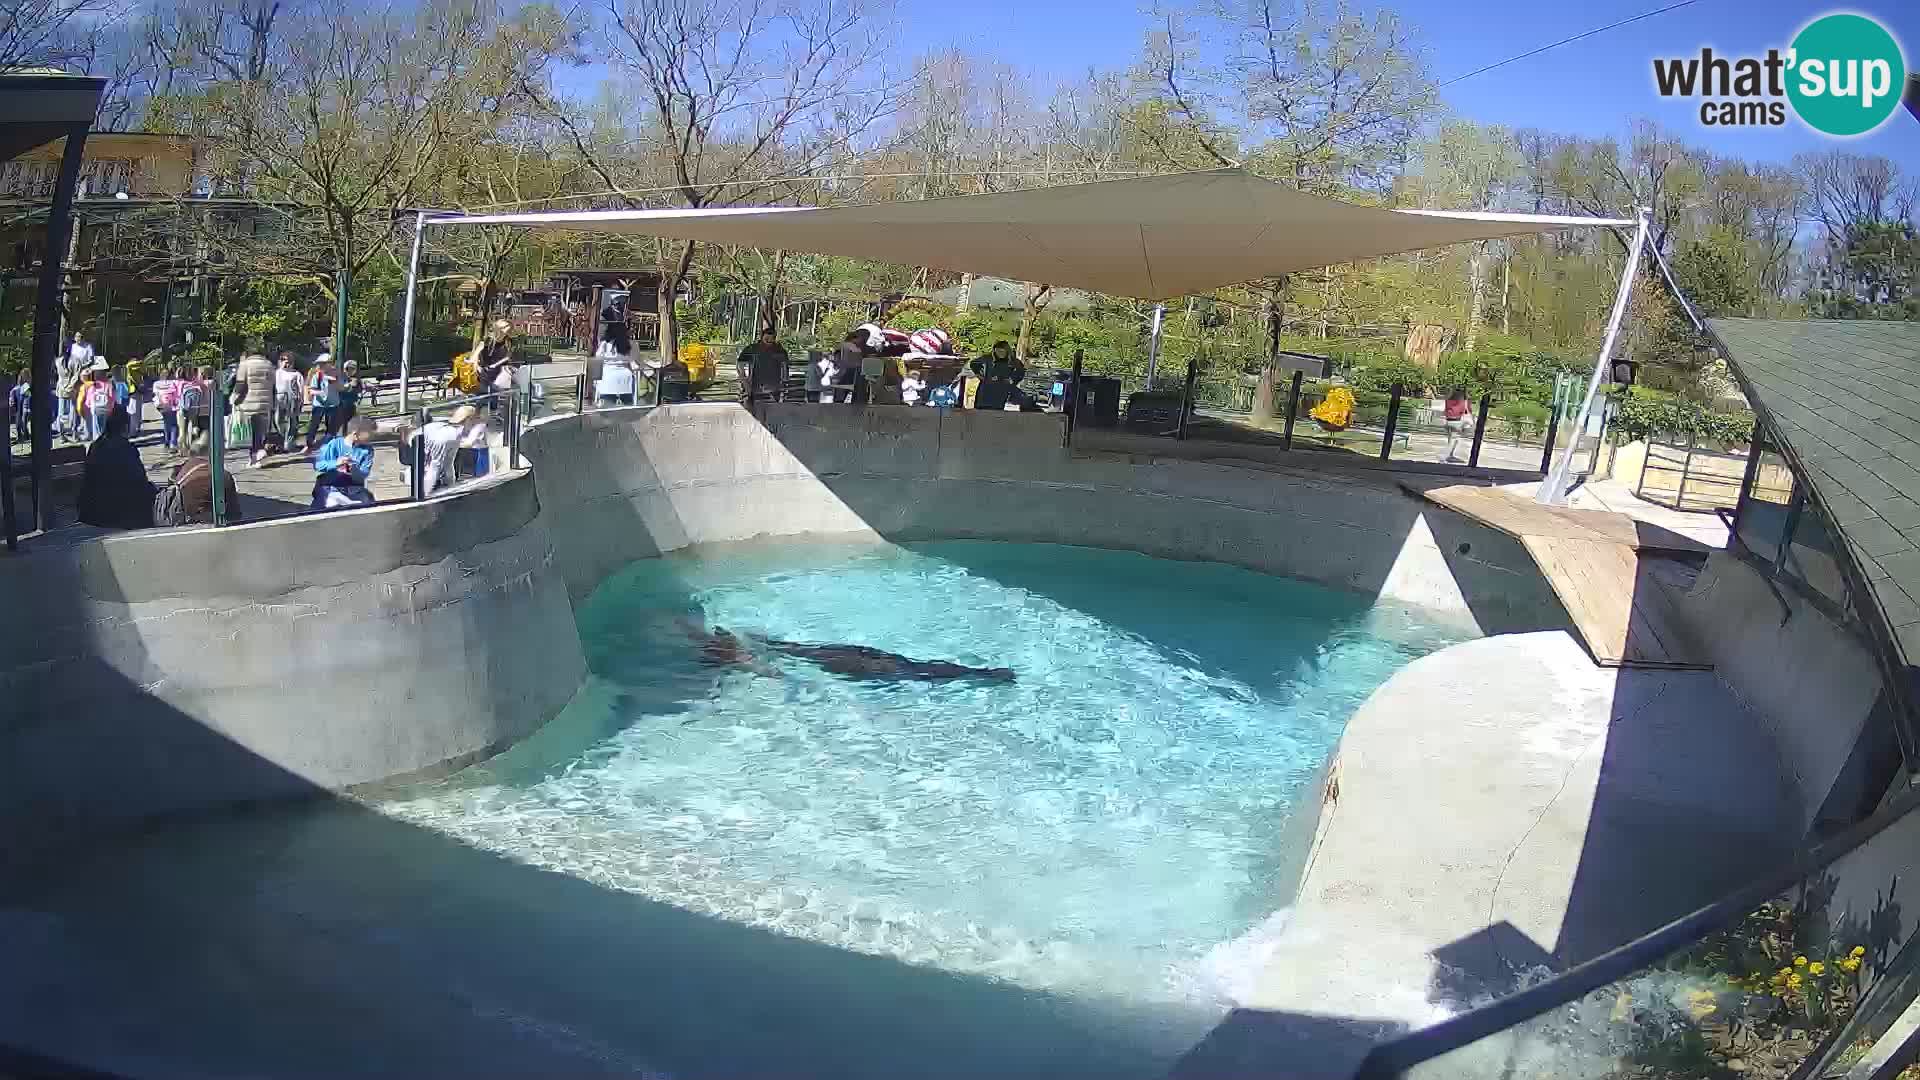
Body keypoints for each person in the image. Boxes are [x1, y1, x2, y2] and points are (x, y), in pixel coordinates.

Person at [76, 406, 154, 529]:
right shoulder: (126, 448)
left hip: (94, 506)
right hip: (121, 507)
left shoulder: (96, 446)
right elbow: (139, 478)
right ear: (124, 427)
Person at [160, 434, 243, 526]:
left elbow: (172, 482)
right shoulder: (223, 475)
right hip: (212, 522)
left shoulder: (181, 468)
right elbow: (234, 514)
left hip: (182, 520)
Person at [310, 415, 377, 510]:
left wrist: (354, 469)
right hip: (331, 487)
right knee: (330, 503)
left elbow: (364, 473)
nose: (373, 436)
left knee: (368, 504)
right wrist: (335, 463)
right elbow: (318, 465)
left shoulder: (367, 450)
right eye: (370, 433)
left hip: (354, 489)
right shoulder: (334, 444)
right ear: (355, 433)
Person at [420, 405, 481, 496]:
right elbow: (437, 466)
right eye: (474, 421)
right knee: (436, 466)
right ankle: (425, 494)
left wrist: (451, 488)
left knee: (439, 466)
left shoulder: (453, 433)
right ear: (468, 419)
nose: (475, 424)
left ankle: (428, 493)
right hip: (422, 455)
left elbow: (448, 463)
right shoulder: (450, 436)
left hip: (431, 450)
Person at [230, 349, 276, 464]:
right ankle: (258, 455)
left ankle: (254, 457)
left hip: (248, 403)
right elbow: (273, 386)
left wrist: (233, 399)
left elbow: (240, 385)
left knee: (250, 434)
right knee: (259, 432)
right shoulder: (269, 365)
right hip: (265, 403)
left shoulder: (245, 365)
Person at [736, 327, 789, 403]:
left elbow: (785, 369)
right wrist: (745, 382)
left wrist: (784, 387)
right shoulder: (752, 349)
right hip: (755, 388)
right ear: (762, 337)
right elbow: (740, 364)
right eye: (767, 338)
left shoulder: (780, 351)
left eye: (772, 338)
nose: (769, 341)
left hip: (775, 389)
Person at [476, 319, 516, 414]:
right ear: (498, 328)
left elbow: (508, 356)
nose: (507, 329)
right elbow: (478, 353)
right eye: (505, 327)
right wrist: (478, 365)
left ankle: (492, 410)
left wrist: (496, 365)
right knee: (484, 391)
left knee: (494, 389)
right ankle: (480, 410)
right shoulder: (488, 340)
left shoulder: (509, 341)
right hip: (485, 368)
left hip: (499, 369)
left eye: (508, 327)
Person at [304, 356, 342, 450]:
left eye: (323, 363)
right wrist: (321, 392)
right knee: (314, 424)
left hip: (333, 404)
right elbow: (311, 390)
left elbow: (341, 388)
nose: (320, 366)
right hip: (319, 405)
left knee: (331, 426)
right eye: (320, 364)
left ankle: (328, 443)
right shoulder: (317, 376)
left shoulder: (336, 375)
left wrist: (336, 382)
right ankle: (309, 443)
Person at [76, 360, 116, 443]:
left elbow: (89, 398)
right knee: (103, 426)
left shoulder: (91, 385)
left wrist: (85, 408)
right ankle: (103, 440)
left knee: (95, 426)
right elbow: (112, 398)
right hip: (105, 408)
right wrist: (111, 409)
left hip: (94, 408)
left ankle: (96, 441)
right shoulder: (109, 384)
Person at [273, 352, 304, 445]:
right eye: (284, 361)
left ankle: (289, 441)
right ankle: (282, 437)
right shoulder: (276, 373)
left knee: (292, 421)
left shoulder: (296, 374)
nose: (286, 364)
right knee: (277, 420)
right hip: (278, 398)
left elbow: (301, 388)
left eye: (288, 362)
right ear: (280, 362)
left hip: (292, 399)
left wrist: (301, 401)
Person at [151, 365, 184, 453]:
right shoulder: (173, 382)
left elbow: (155, 394)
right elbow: (178, 393)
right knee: (173, 424)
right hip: (172, 405)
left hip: (161, 405)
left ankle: (166, 441)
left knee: (166, 422)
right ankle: (172, 443)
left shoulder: (156, 383)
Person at [1442, 387, 1473, 463]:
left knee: (1452, 439)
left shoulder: (1448, 399)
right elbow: (1468, 410)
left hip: (1449, 420)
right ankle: (1448, 456)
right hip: (1456, 420)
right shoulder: (1463, 400)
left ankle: (1449, 455)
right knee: (1455, 438)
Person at [182, 366, 212, 440]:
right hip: (206, 411)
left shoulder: (194, 384)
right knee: (205, 431)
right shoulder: (210, 383)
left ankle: (194, 443)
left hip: (194, 410)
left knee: (195, 429)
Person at [123, 352, 146, 436]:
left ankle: (134, 430)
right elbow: (129, 365)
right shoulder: (134, 368)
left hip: (135, 390)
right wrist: (139, 362)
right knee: (136, 411)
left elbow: (129, 365)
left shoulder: (132, 368)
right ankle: (136, 429)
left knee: (134, 411)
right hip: (136, 390)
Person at [8, 377, 28, 443]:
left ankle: (23, 437)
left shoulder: (18, 388)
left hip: (21, 408)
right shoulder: (20, 388)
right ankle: (23, 436)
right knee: (20, 423)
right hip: (21, 408)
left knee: (21, 423)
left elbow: (28, 397)